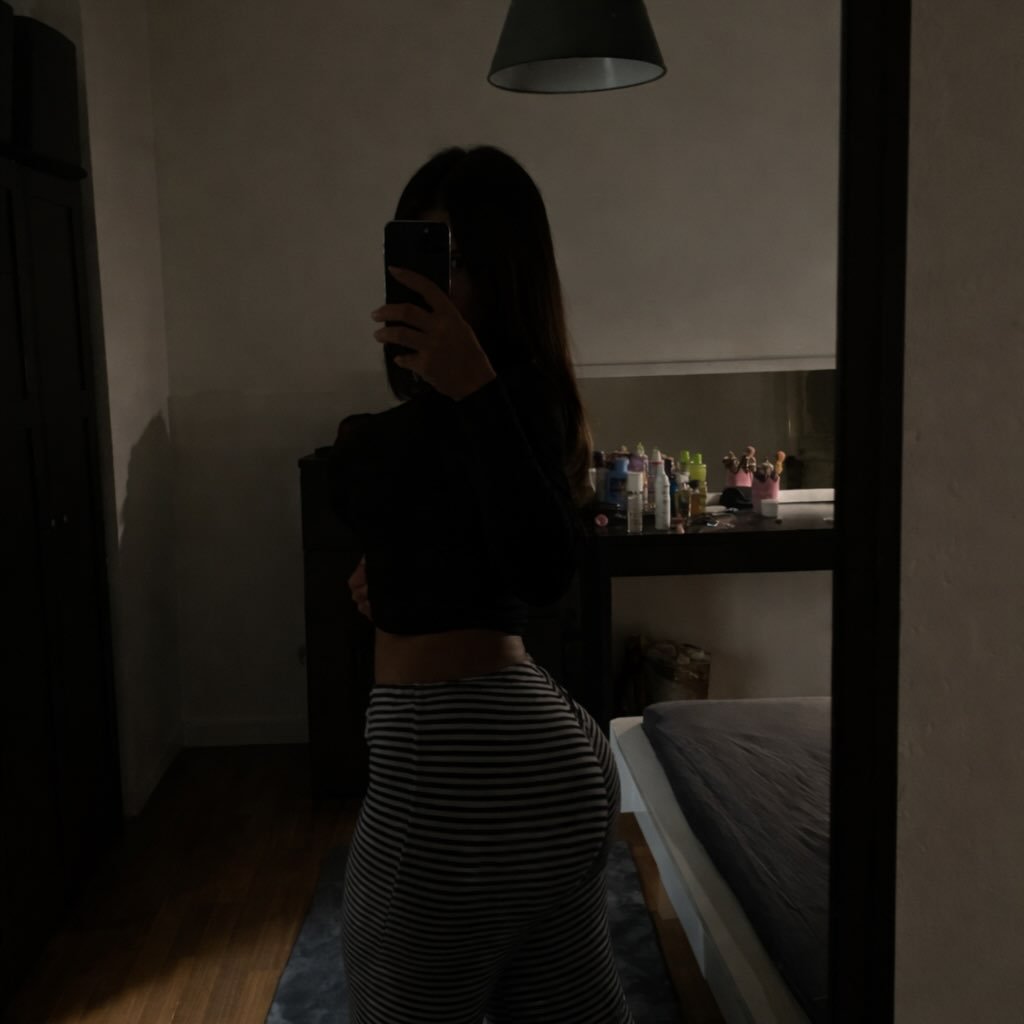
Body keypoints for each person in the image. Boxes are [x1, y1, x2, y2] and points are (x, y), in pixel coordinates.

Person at [328, 144, 633, 1024]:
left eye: (455, 259)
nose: (435, 281)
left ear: (505, 271)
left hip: (454, 779)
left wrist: (471, 388)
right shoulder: (494, 413)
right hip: (539, 763)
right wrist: (395, 574)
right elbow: (469, 549)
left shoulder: (512, 402)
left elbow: (545, 572)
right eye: (418, 253)